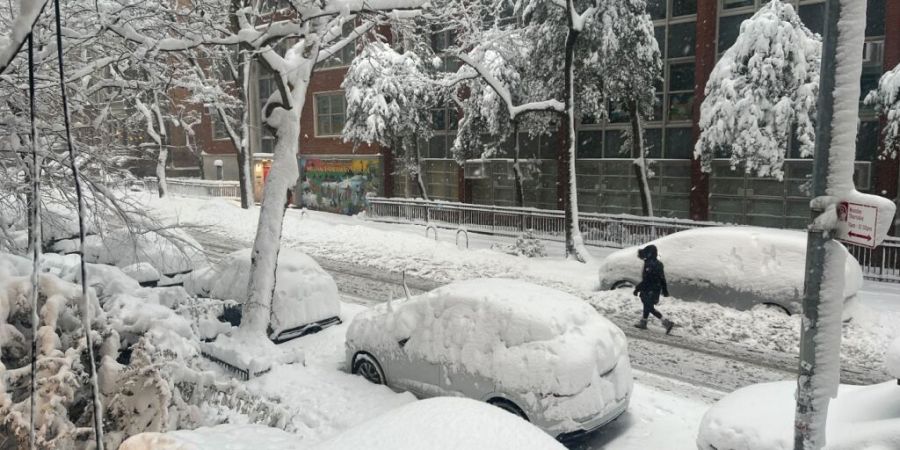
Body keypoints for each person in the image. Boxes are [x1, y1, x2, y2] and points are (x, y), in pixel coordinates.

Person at [633, 244, 675, 334]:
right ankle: (643, 322)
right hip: (655, 289)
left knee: (649, 307)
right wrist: (664, 290)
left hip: (649, 289)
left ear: (649, 254)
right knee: (647, 305)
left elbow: (647, 279)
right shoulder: (658, 264)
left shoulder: (649, 264)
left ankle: (666, 323)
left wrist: (637, 289)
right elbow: (662, 278)